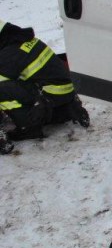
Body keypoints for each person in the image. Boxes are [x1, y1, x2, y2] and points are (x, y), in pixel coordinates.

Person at [0, 20, 89, 153]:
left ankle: (27, 127)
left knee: (3, 90)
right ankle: (66, 110)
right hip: (63, 91)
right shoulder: (23, 39)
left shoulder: (6, 56)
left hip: (47, 96)